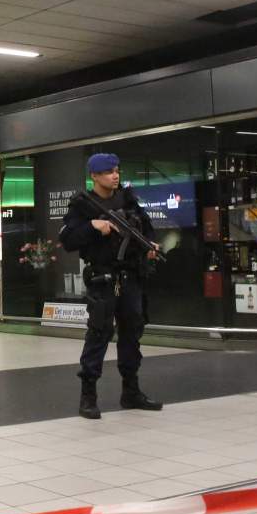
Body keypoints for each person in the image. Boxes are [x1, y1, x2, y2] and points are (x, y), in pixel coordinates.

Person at [59, 153, 164, 420]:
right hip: (102, 279)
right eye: (108, 172)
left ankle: (131, 391)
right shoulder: (82, 206)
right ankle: (88, 396)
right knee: (98, 335)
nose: (114, 176)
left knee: (132, 334)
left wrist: (151, 246)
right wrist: (93, 226)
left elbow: (147, 230)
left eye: (116, 170)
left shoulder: (128, 200)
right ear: (94, 176)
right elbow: (68, 239)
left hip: (131, 277)